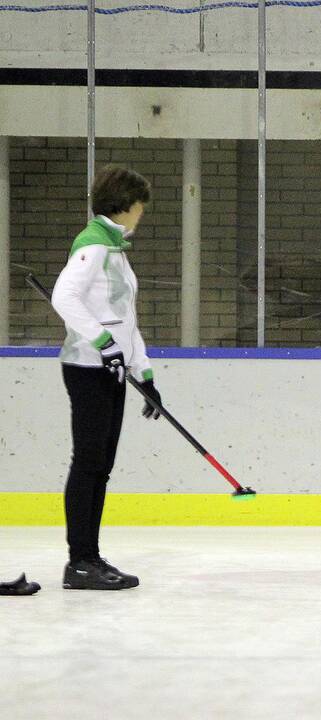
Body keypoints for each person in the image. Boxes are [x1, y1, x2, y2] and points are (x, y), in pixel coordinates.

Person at [51, 165, 162, 590]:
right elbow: (64, 297)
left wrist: (144, 372)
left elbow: (123, 319)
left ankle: (90, 557)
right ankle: (79, 561)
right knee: (89, 464)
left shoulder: (114, 250)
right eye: (140, 207)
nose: (142, 215)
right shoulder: (93, 246)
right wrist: (101, 343)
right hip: (87, 369)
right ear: (127, 205)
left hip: (111, 369)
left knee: (101, 467)